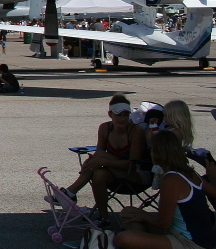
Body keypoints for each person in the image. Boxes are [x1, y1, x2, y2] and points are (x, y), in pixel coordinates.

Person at [114, 130, 216, 249]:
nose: (151, 152)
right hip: (184, 235)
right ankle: (143, 248)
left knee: (123, 239)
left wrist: (143, 215)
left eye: (153, 149)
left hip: (192, 246)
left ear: (159, 153)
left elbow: (163, 223)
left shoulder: (172, 179)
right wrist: (213, 177)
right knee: (128, 212)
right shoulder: (189, 172)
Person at [54, 94, 148, 223]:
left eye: (125, 114)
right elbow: (99, 155)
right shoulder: (105, 128)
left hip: (135, 175)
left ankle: (70, 192)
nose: (122, 118)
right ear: (110, 114)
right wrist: (96, 162)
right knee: (98, 174)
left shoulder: (135, 131)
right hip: (114, 172)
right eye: (118, 114)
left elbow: (132, 164)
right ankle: (103, 218)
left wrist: (102, 162)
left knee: (98, 157)